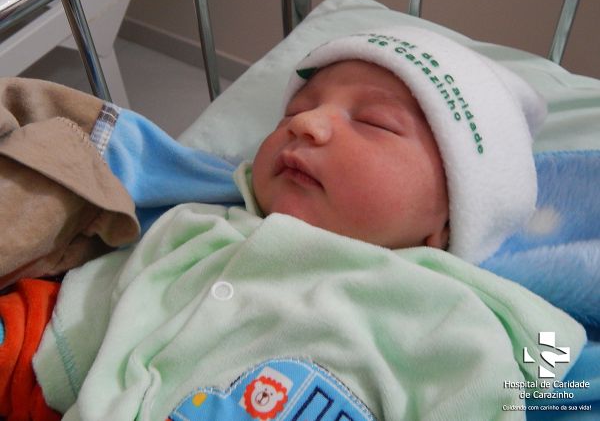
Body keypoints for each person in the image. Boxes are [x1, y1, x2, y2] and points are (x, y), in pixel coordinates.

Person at [0, 27, 585, 421]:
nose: (308, 125)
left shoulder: (450, 317)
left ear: (448, 222)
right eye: (297, 110)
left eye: (375, 123)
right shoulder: (197, 228)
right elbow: (64, 330)